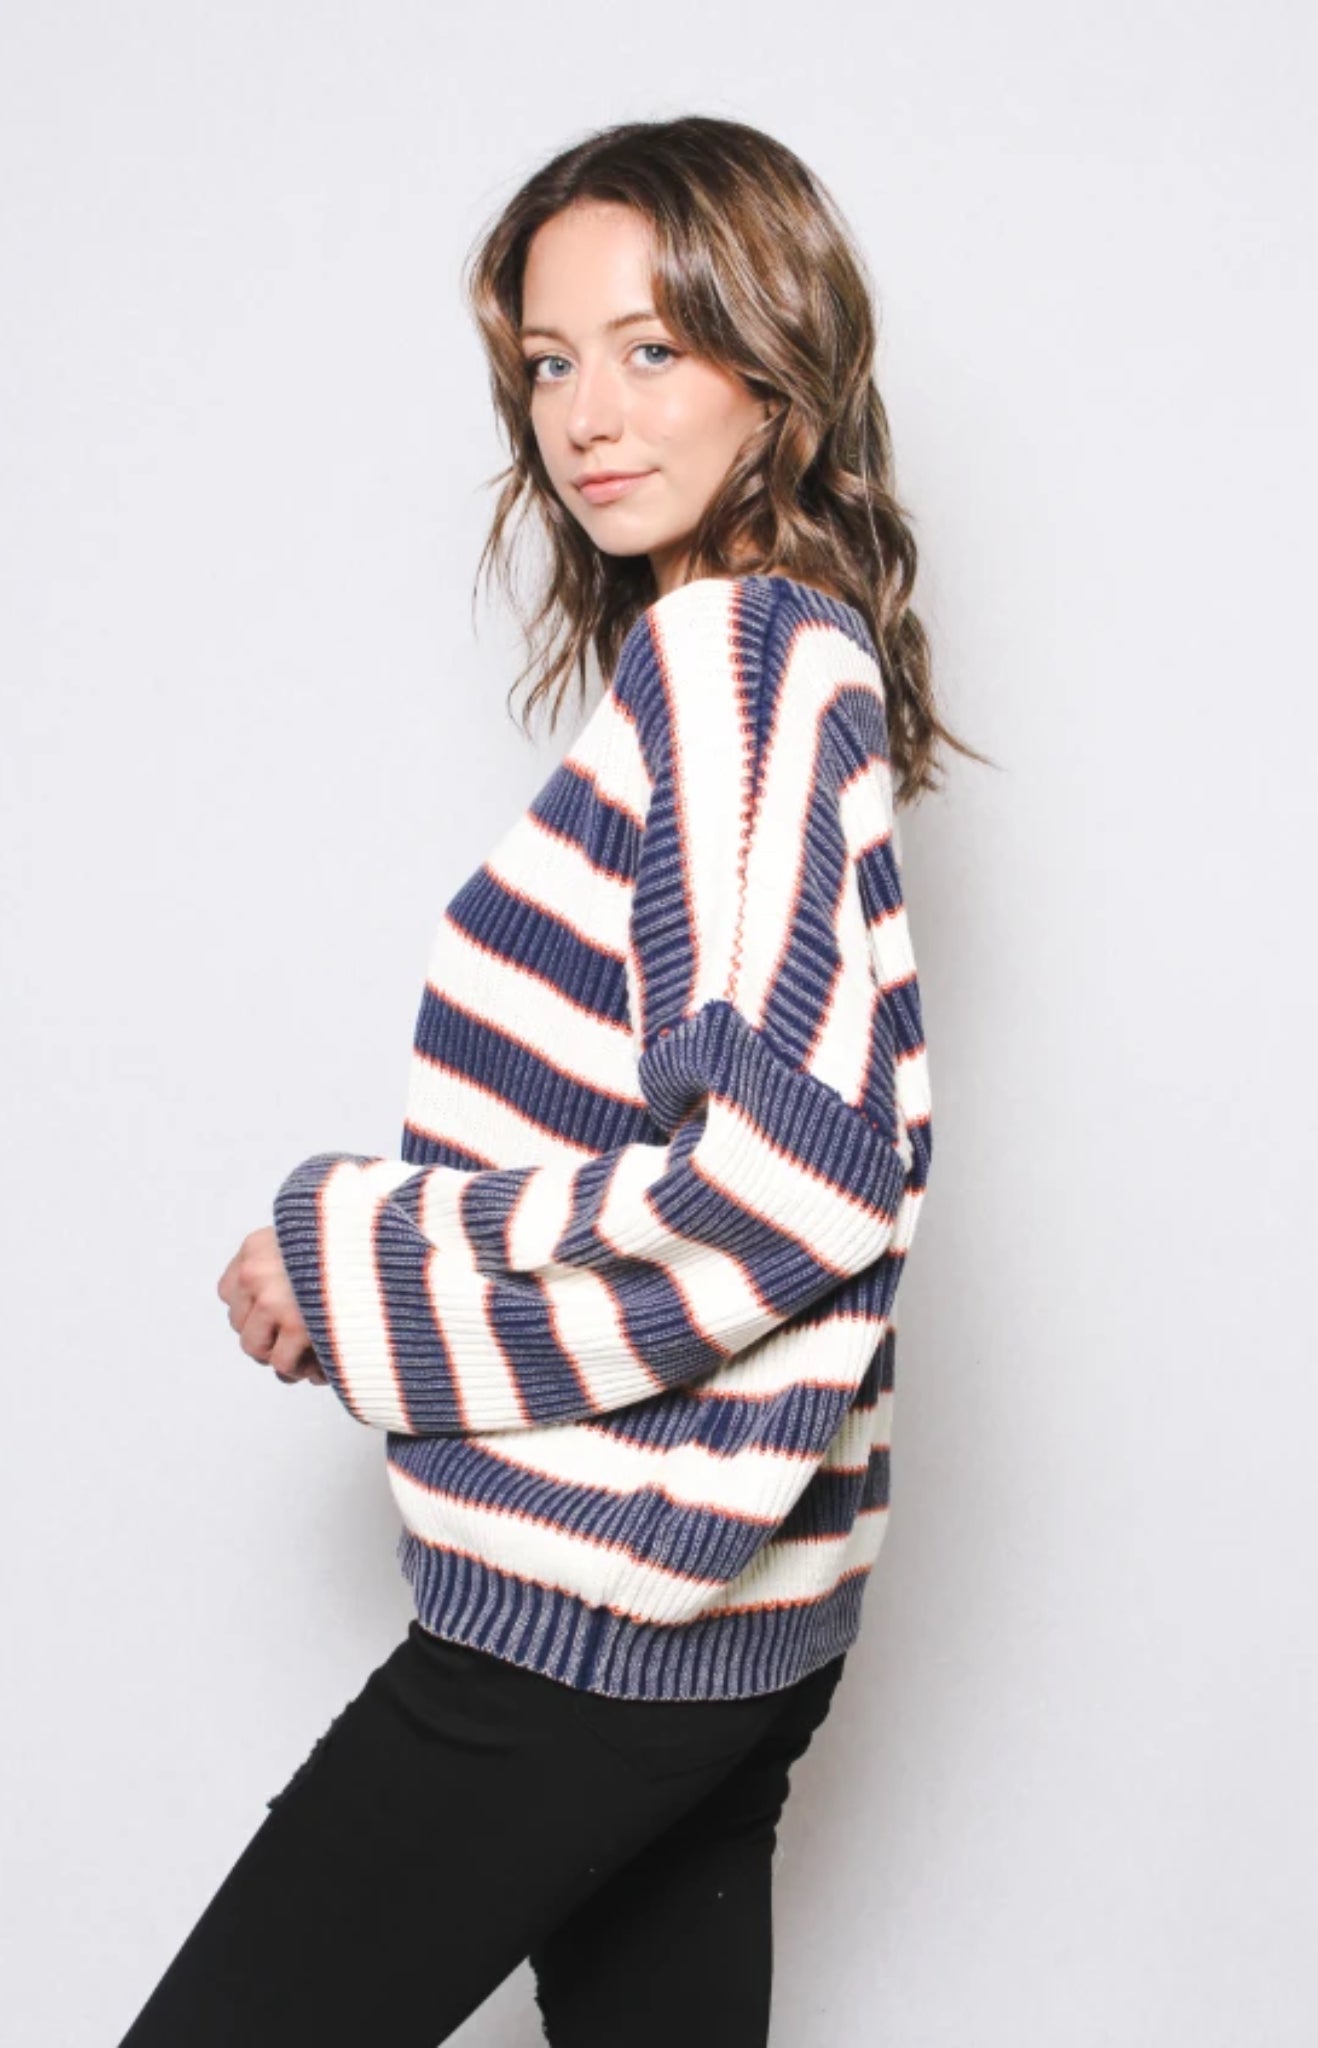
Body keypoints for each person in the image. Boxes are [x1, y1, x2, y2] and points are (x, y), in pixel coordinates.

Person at [117, 113, 980, 2048]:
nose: (588, 414)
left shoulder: (734, 668)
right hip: (734, 1617)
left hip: (597, 1628)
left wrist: (352, 1258)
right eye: (549, 360)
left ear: (775, 370)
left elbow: (791, 1177)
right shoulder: (768, 663)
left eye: (652, 349)